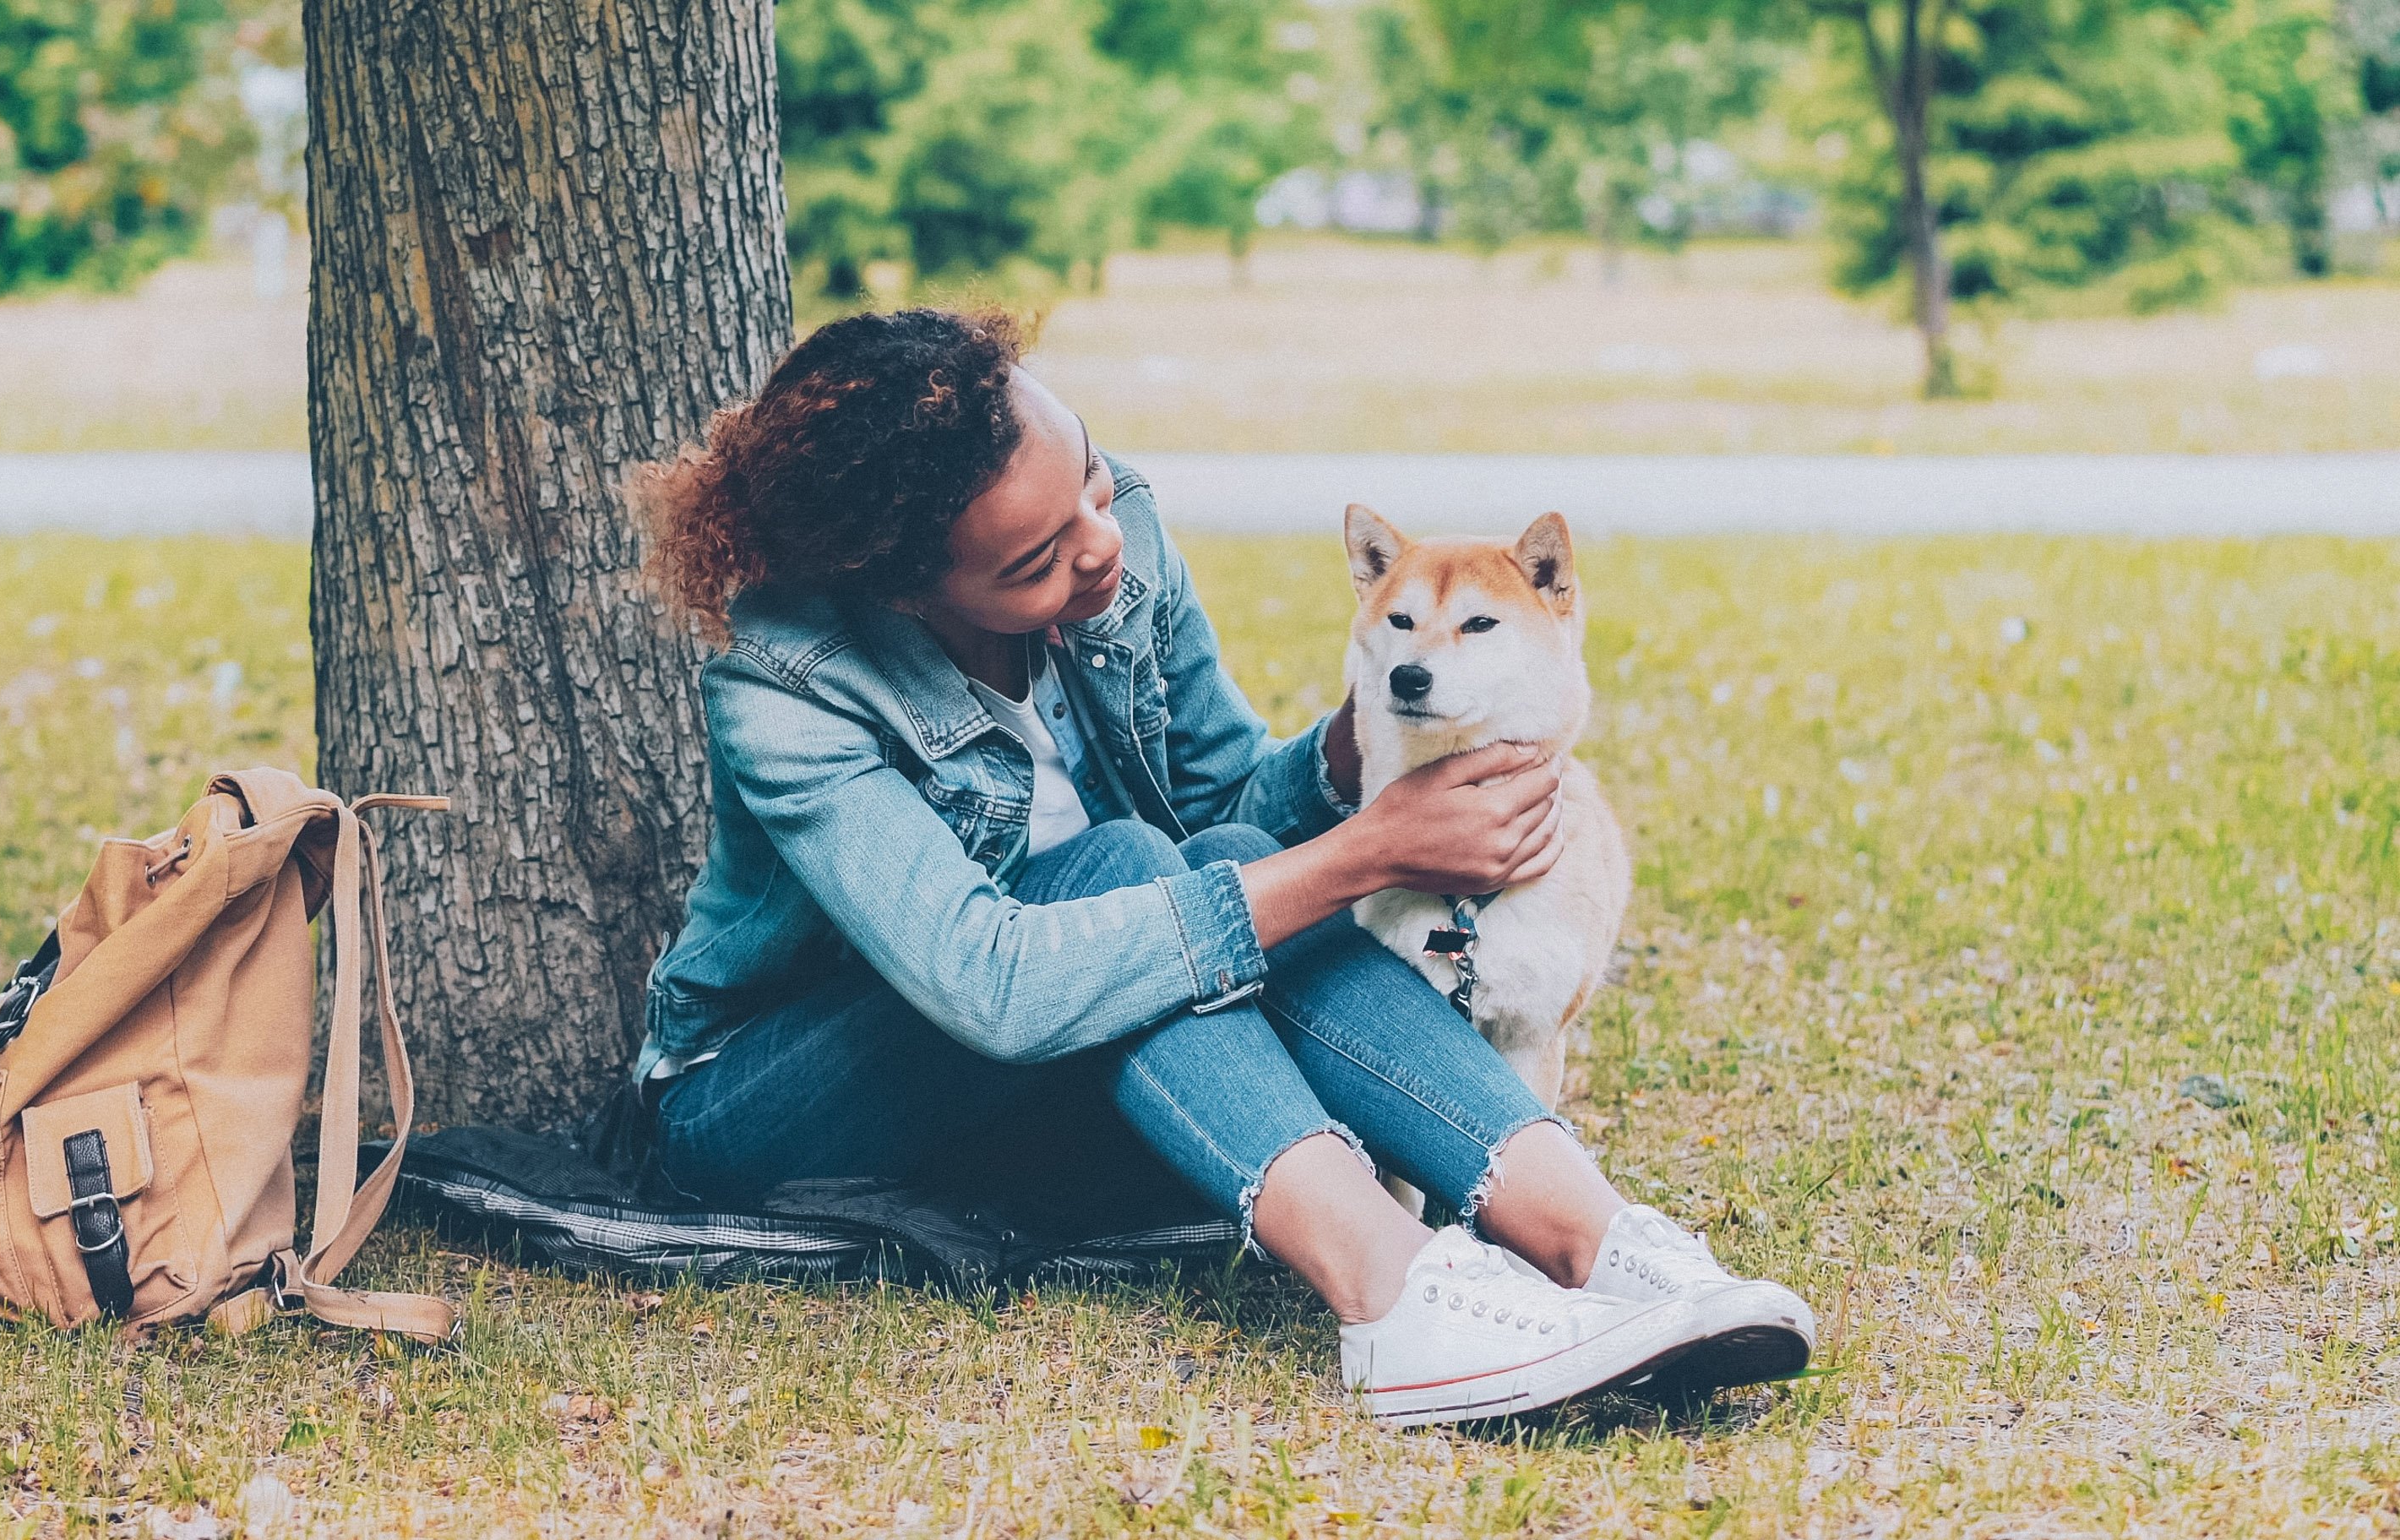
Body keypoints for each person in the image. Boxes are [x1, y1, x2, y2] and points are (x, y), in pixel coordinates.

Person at [631, 308, 1815, 1426]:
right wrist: (1367, 853)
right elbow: (990, 983)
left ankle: (1589, 1240)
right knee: (1124, 871)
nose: (1103, 543)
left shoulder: (1117, 539)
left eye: (1090, 479)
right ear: (900, 589)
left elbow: (1226, 816)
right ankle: (1395, 1296)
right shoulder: (786, 685)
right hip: (775, 1100)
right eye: (1042, 556)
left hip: (1084, 1065)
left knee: (1233, 858)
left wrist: (1355, 757)